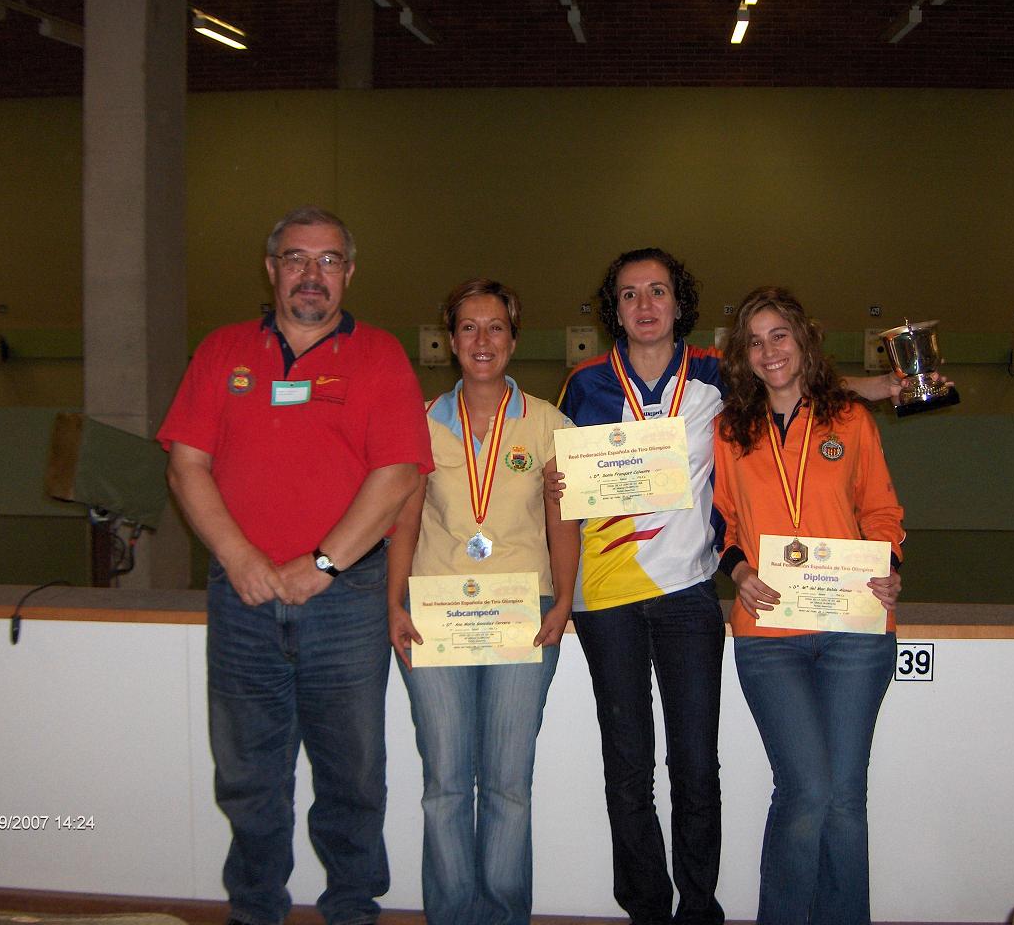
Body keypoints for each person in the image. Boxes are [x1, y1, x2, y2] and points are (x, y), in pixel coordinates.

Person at [556, 248, 910, 925]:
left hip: (691, 592)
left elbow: (794, 377)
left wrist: (885, 387)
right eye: (630, 294)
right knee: (628, 767)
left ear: (679, 302)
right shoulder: (585, 384)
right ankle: (646, 909)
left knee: (697, 766)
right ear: (615, 310)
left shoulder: (717, 376)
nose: (645, 305)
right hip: (608, 594)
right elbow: (563, 480)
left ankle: (699, 908)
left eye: (658, 290)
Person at [158, 206, 433, 925]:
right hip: (242, 601)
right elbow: (187, 465)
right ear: (271, 268)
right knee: (248, 776)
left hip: (346, 602)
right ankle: (255, 911)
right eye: (297, 258)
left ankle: (352, 909)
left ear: (350, 273)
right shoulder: (221, 351)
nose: (313, 274)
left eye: (329, 260)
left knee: (352, 777)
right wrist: (240, 557)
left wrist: (322, 565)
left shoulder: (380, 356)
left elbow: (398, 473)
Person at [387, 278, 579, 925]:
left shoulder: (548, 423)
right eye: (468, 327)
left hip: (524, 617)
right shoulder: (419, 422)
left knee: (507, 785)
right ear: (450, 340)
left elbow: (563, 521)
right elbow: (404, 522)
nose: (482, 340)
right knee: (444, 785)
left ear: (514, 339)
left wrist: (563, 601)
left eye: (495, 326)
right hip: (434, 616)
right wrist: (393, 604)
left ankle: (501, 914)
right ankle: (449, 914)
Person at [713, 286, 904, 925]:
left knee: (845, 799)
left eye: (780, 335)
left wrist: (890, 568)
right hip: (769, 635)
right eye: (754, 341)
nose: (769, 351)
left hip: (855, 628)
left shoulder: (849, 420)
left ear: (803, 340)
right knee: (805, 792)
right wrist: (739, 571)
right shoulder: (729, 429)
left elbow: (881, 511)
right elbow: (720, 521)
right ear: (742, 355)